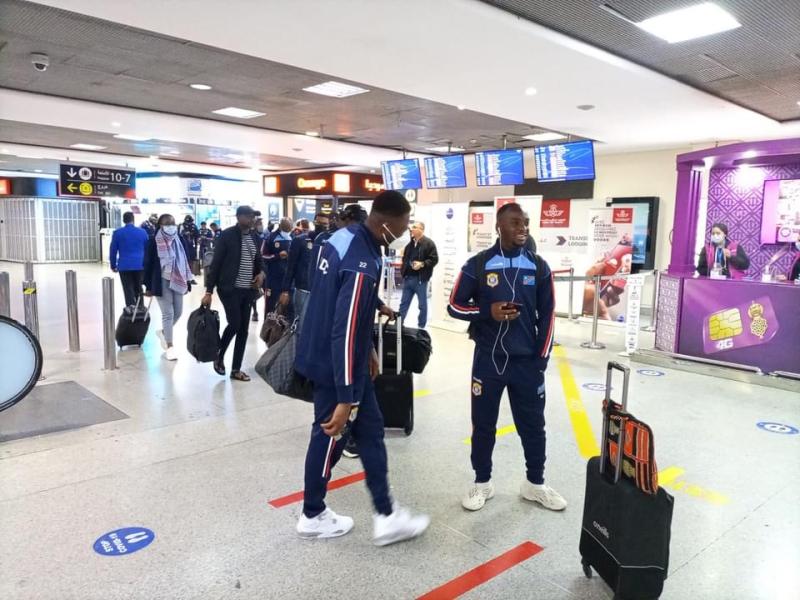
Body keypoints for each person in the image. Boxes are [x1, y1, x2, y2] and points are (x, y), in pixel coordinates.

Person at [294, 190, 429, 545]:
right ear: (385, 222)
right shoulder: (362, 261)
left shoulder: (340, 238)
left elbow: (344, 307)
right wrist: (344, 394)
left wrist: (368, 348)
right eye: (402, 224)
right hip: (335, 365)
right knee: (328, 434)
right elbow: (345, 328)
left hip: (341, 358)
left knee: (370, 430)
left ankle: (386, 514)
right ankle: (312, 514)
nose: (404, 231)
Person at [448, 202, 564, 513]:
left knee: (533, 426)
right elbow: (454, 305)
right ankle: (482, 482)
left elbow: (549, 314)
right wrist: (488, 312)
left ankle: (535, 484)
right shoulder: (479, 264)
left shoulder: (539, 266)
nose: (522, 228)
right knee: (483, 424)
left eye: (525, 222)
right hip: (489, 360)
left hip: (527, 363)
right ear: (499, 227)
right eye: (515, 223)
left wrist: (541, 359)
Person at [203, 206, 265, 381]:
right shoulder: (227, 235)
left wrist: (261, 274)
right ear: (239, 217)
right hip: (229, 288)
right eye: (249, 216)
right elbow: (216, 264)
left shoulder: (254, 236)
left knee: (244, 330)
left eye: (254, 216)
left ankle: (236, 369)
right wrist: (209, 291)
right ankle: (219, 353)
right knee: (235, 324)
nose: (252, 219)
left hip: (248, 290)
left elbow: (259, 261)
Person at [143, 214, 193, 361]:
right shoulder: (153, 241)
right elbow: (148, 263)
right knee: (168, 313)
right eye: (167, 224)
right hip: (161, 281)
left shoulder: (180, 239)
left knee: (178, 311)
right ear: (160, 225)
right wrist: (147, 286)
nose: (171, 226)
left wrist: (188, 281)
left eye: (172, 223)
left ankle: (164, 332)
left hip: (178, 279)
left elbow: (185, 260)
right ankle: (170, 346)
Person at [279, 212, 331, 324]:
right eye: (318, 223)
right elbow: (290, 267)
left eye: (324, 224)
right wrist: (285, 290)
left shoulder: (331, 242)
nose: (321, 226)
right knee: (301, 326)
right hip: (303, 289)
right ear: (314, 223)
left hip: (323, 291)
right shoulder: (300, 241)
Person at [398, 221, 438, 329]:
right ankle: (398, 325)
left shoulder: (429, 243)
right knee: (403, 304)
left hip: (420, 280)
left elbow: (434, 259)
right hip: (408, 278)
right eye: (412, 227)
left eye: (414, 227)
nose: (412, 229)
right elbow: (405, 258)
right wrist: (404, 270)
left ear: (421, 229)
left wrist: (422, 264)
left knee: (422, 305)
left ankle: (421, 327)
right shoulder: (409, 243)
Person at [109, 211, 149, 307]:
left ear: (123, 220)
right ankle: (140, 308)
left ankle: (131, 309)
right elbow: (148, 249)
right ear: (133, 220)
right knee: (138, 287)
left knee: (128, 288)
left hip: (124, 266)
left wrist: (113, 265)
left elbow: (113, 250)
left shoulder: (117, 233)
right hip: (140, 265)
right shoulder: (143, 232)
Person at [261, 217, 293, 315]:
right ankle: (268, 329)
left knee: (288, 309)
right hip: (273, 279)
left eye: (289, 229)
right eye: (285, 229)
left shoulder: (294, 238)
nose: (287, 231)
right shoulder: (271, 237)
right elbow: (263, 256)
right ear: (280, 226)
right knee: (270, 308)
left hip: (289, 280)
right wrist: (277, 256)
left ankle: (286, 329)